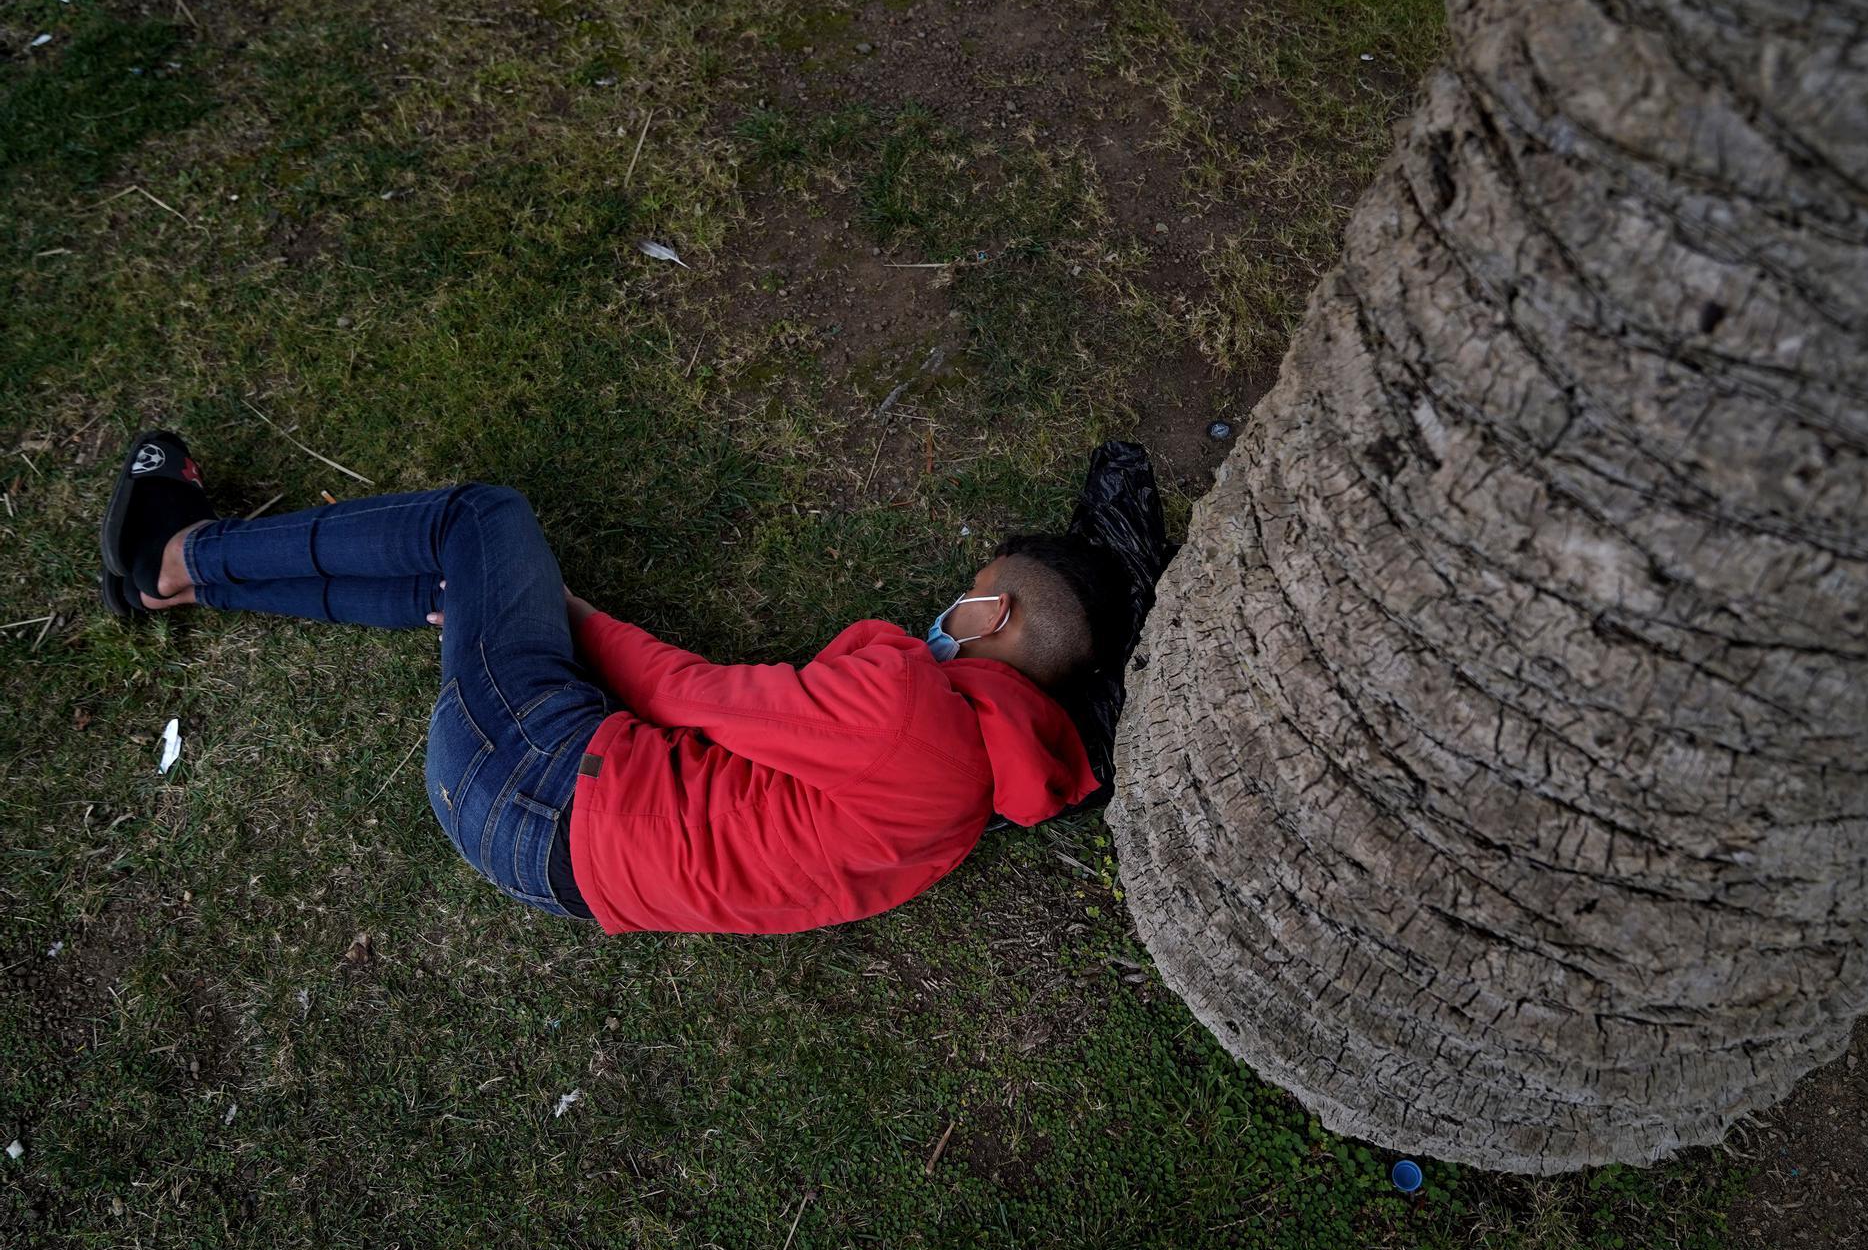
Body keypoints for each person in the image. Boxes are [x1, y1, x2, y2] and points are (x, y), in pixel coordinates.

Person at [97, 431, 1120, 933]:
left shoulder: (911, 708)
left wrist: (568, 610)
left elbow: (688, 695)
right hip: (546, 865)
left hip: (538, 776)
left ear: (993, 617)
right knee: (468, 589)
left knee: (483, 524)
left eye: (971, 590)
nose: (954, 605)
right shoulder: (965, 816)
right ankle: (196, 586)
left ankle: (175, 555)